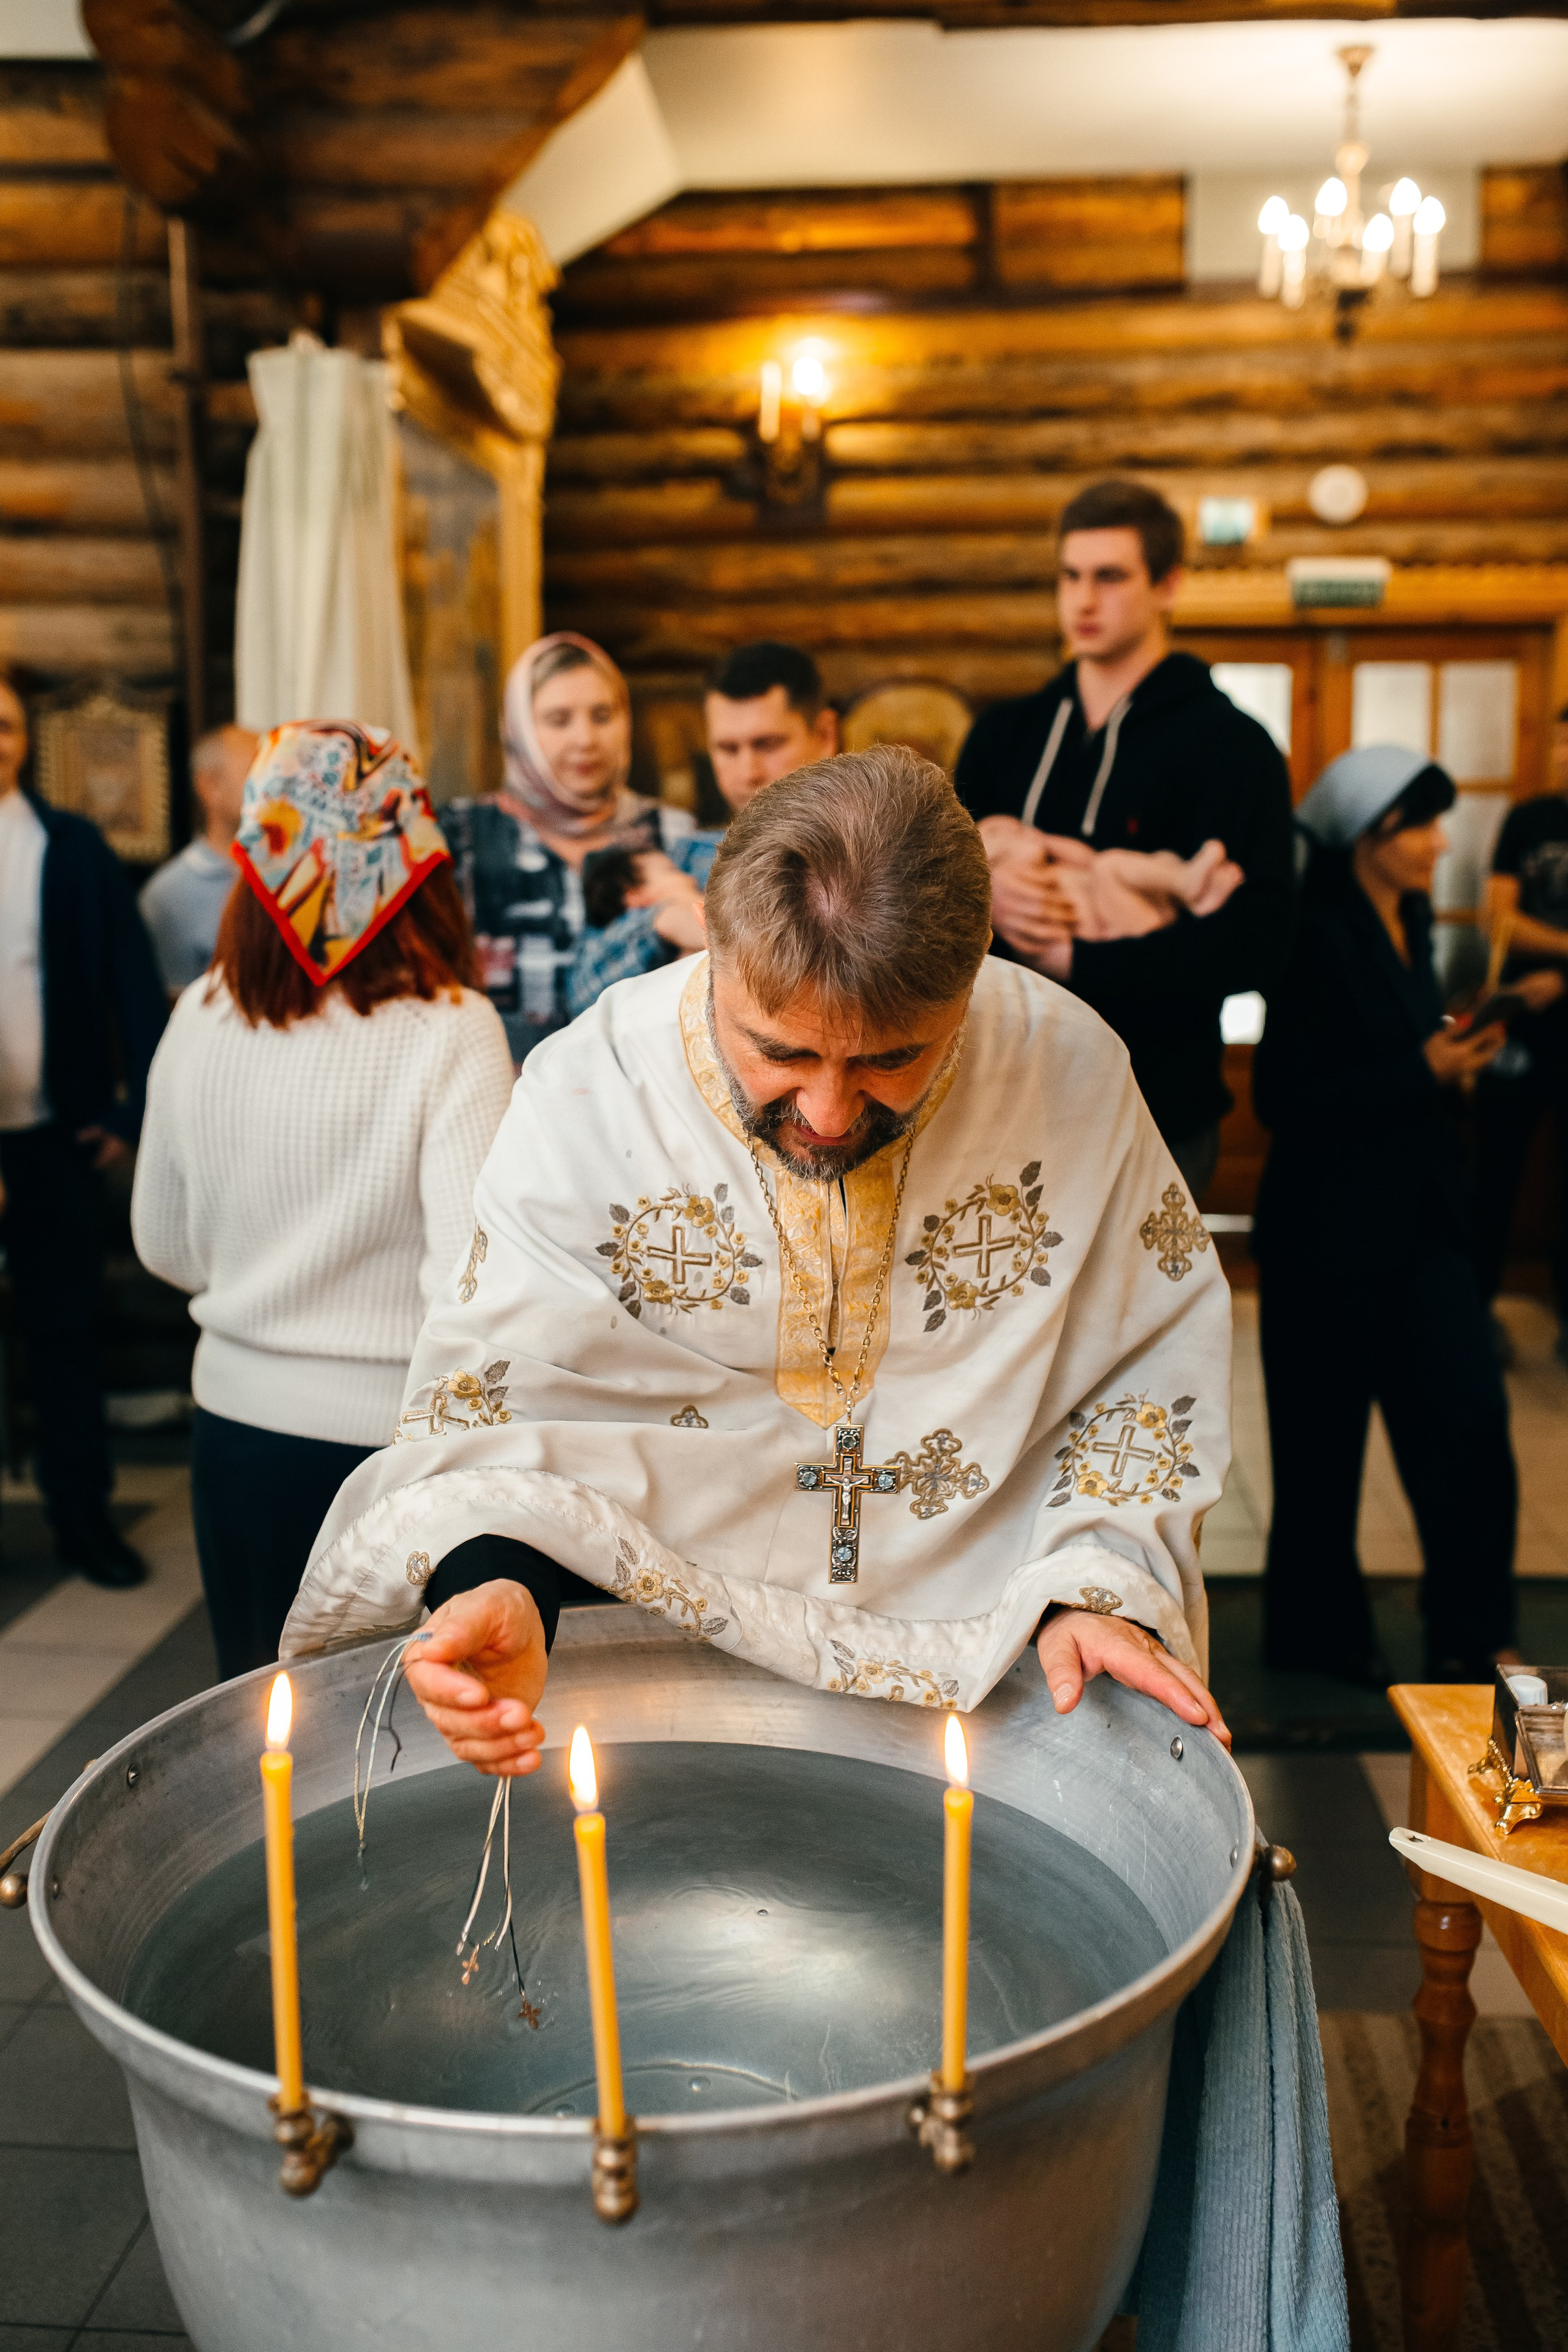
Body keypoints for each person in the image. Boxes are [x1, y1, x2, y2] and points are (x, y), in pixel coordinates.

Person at [281, 746, 1234, 1779]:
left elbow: (1144, 1372)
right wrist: (504, 1579)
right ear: (717, 955)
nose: (827, 1113)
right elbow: (504, 1401)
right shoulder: (592, 1092)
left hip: (987, 1670)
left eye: (890, 1060)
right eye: (781, 1052)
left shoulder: (1066, 1068)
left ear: (969, 987)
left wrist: (1092, 1588)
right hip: (657, 1673)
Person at [130, 721, 514, 1681]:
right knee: (395, 1738)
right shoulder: (454, 1028)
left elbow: (162, 1242)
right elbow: (472, 1284)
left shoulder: (200, 1013)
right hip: (389, 1447)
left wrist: (268, 1280)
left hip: (232, 1426)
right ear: (418, 860)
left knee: (259, 1717)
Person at [1253, 745, 1518, 1686]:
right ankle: (1319, 1644)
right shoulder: (1309, 934)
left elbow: (1391, 1054)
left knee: (1468, 1427)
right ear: (1369, 835)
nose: (1440, 844)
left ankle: (1472, 1633)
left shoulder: (1410, 919)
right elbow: (1284, 1097)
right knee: (1321, 1454)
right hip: (1324, 1239)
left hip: (1423, 1225)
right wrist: (1421, 1070)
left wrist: (1446, 1056)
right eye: (1423, 826)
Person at [954, 478, 1295, 1203]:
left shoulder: (1233, 748)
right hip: (999, 1097)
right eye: (1070, 576)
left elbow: (1260, 942)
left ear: (1168, 586)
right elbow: (933, 894)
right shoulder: (1003, 736)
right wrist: (991, 896)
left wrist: (1081, 959)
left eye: (1109, 577)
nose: (1083, 600)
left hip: (1159, 1107)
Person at [0, 669, 167, 1586]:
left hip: (53, 1136)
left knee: (64, 1332)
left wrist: (129, 1110)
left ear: (24, 738)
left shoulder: (69, 847)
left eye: (5, 724)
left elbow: (129, 983)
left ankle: (83, 1518)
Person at [442, 633, 693, 1065]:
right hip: (498, 1086)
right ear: (519, 729)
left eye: (602, 715)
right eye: (559, 720)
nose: (585, 739)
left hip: (641, 1089)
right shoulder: (462, 838)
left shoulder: (674, 836)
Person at [565, 639, 839, 1017]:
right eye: (728, 749)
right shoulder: (685, 860)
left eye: (768, 744)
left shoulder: (877, 853)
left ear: (824, 735)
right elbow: (580, 998)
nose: (749, 772)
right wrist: (662, 923)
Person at [1470, 702, 1568, 1364]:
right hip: (1519, 1025)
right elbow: (1499, 921)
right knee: (1492, 1171)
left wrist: (1560, 972)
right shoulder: (1528, 819)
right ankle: (1474, 1313)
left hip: (1551, 1000)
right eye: (1560, 743)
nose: (1563, 757)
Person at [138, 724, 258, 993]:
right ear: (210, 786)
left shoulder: (296, 876)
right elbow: (172, 1007)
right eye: (255, 773)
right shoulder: (169, 896)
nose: (274, 788)